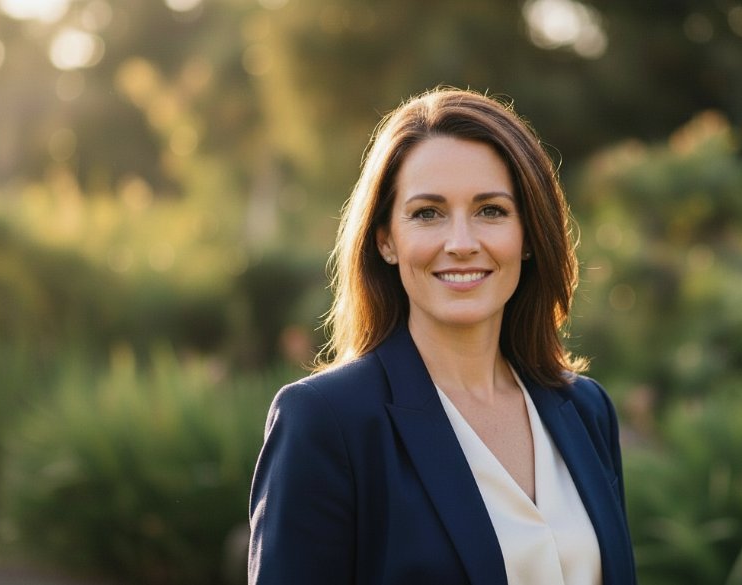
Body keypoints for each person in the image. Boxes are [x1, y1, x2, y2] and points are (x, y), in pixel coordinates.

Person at [248, 87, 637, 585]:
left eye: (491, 210)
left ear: (529, 235)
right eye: (427, 213)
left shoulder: (585, 409)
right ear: (386, 239)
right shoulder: (327, 422)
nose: (461, 243)